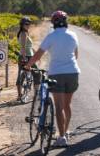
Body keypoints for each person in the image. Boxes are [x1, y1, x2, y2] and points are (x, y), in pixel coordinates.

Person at [25, 10, 80, 147]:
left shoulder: (51, 36)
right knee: (67, 105)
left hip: (57, 73)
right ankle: (66, 131)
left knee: (59, 106)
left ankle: (61, 138)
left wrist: (28, 65)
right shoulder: (73, 35)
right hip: (73, 72)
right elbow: (76, 55)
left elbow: (38, 54)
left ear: (53, 23)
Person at [16, 16, 35, 100]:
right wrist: (24, 58)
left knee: (23, 74)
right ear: (22, 25)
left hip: (29, 56)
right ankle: (20, 95)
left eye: (29, 24)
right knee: (37, 73)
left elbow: (29, 47)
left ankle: (20, 95)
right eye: (26, 24)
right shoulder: (23, 33)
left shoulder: (26, 33)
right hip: (26, 56)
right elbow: (23, 47)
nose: (28, 25)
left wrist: (35, 53)